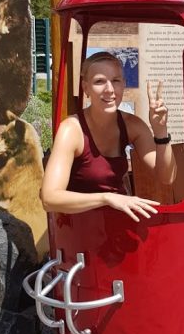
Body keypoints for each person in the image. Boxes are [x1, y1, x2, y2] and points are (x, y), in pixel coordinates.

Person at [40, 51, 175, 221]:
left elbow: (167, 177)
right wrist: (106, 198)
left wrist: (161, 131)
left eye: (115, 81)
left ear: (123, 85)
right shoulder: (71, 130)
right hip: (77, 230)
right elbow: (49, 198)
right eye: (99, 81)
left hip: (117, 225)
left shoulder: (132, 125)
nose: (109, 90)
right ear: (85, 87)